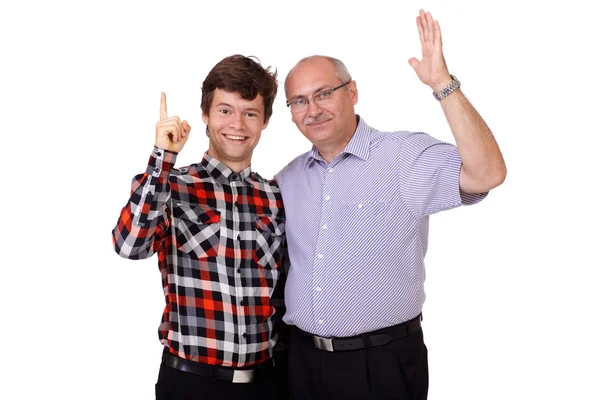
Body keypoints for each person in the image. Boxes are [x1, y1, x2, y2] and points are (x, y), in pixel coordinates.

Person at [275, 10, 507, 400]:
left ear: (352, 92)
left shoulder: (404, 156)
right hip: (302, 362)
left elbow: (487, 175)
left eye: (324, 93)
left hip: (381, 365)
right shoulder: (287, 179)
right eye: (298, 101)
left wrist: (443, 85)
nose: (312, 109)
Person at [112, 55, 287, 400]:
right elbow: (130, 245)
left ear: (264, 121)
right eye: (224, 110)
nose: (237, 123)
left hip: (267, 384)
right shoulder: (171, 186)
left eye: (250, 112)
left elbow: (283, 294)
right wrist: (163, 158)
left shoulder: (277, 196)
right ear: (205, 115)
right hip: (191, 384)